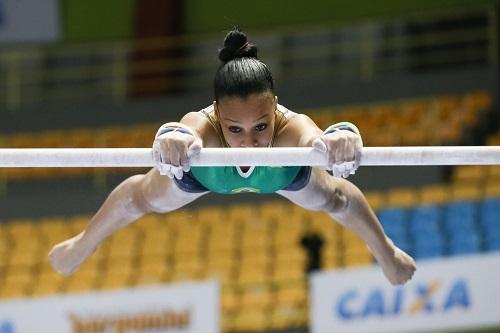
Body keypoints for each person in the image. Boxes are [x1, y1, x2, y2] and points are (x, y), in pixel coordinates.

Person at [49, 29, 416, 285]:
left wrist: (341, 139)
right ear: (216, 114)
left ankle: (386, 252)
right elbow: (184, 129)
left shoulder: (291, 127)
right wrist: (173, 138)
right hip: (209, 174)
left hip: (280, 174)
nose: (249, 143)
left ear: (275, 107)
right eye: (234, 129)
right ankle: (82, 245)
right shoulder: (203, 125)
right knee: (142, 196)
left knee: (333, 196)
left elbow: (317, 138)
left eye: (261, 126)